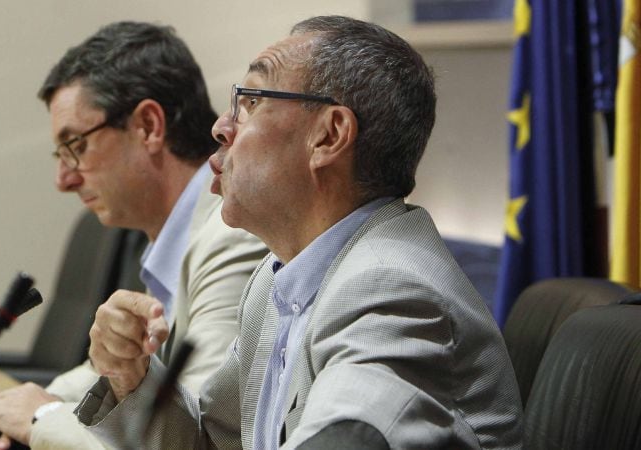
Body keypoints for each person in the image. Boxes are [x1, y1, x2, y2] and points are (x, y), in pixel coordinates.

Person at [75, 15, 523, 449]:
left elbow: (354, 433)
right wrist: (132, 376)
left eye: (250, 101)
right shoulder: (280, 278)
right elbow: (215, 443)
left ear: (329, 136)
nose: (221, 127)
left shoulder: (390, 286)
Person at [0, 21, 267, 450]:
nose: (63, 179)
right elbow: (107, 373)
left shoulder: (231, 238)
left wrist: (41, 417)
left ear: (149, 126)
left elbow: (192, 435)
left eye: (75, 145)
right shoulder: (174, 238)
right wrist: (18, 408)